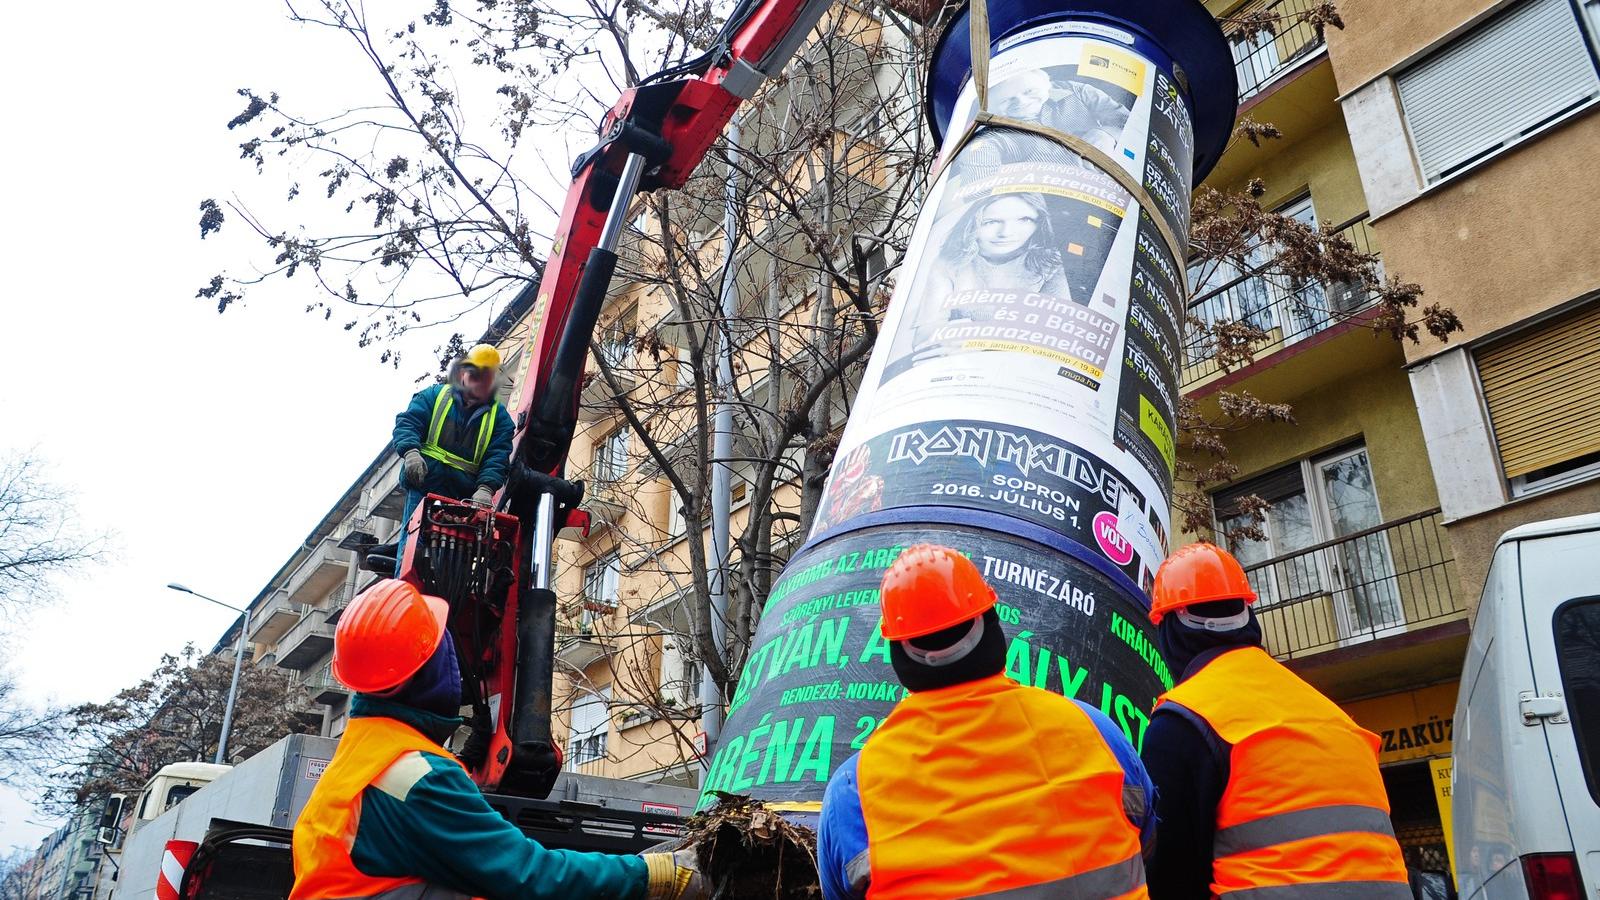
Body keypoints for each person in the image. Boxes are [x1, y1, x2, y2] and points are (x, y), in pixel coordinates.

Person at [291, 578, 704, 900]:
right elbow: (529, 876)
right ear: (429, 671)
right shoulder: (418, 777)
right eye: (443, 649)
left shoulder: (361, 760)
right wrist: (655, 874)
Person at [817, 544, 1155, 900]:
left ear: (900, 653)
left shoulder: (854, 790)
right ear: (991, 624)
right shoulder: (1094, 731)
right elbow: (1146, 838)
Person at [1140, 542, 1411, 899]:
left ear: (1170, 631)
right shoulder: (1334, 716)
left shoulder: (1184, 718)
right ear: (1247, 617)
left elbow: (1169, 877)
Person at [391, 343, 515, 563]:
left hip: (463, 496)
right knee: (413, 548)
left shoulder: (500, 419)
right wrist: (411, 452)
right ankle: (407, 587)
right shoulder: (435, 396)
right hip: (425, 482)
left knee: (456, 555)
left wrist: (485, 489)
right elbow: (409, 423)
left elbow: (497, 456)